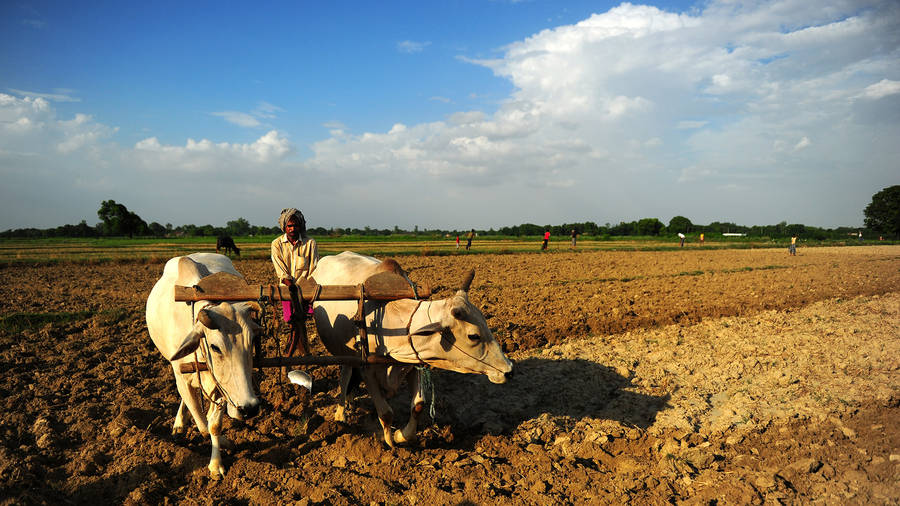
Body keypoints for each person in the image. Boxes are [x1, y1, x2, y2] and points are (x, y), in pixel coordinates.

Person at [271, 208, 319, 356]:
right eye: (289, 226)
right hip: (286, 290)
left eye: (295, 226)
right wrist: (291, 287)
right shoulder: (277, 244)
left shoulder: (310, 243)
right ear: (284, 227)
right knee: (293, 322)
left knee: (300, 322)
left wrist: (305, 289)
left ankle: (293, 351)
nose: (292, 229)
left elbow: (314, 268)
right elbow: (281, 270)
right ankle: (300, 351)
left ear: (301, 226)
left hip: (305, 290)